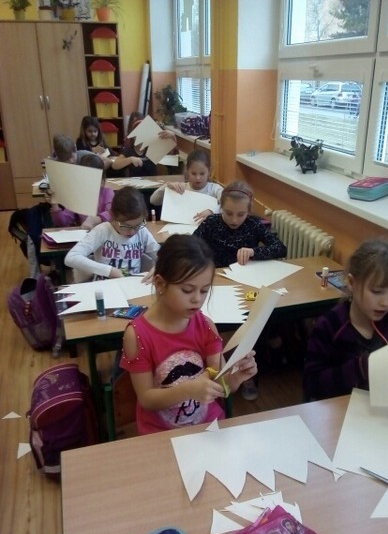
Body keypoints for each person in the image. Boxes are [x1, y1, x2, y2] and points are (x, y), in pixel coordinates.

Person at [119, 234, 258, 434]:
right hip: (161, 434)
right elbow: (147, 399)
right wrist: (188, 390)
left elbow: (219, 384)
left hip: (208, 426)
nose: (197, 300)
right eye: (187, 290)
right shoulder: (137, 335)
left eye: (204, 291)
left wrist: (235, 378)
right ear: (160, 284)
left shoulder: (206, 325)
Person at [193, 180, 287, 401]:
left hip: (246, 285)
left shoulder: (253, 224)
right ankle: (217, 369)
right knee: (216, 326)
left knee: (255, 321)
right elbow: (190, 246)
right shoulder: (212, 223)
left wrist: (254, 251)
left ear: (249, 210)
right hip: (216, 286)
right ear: (221, 207)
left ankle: (247, 372)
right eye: (228, 213)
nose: (234, 220)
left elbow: (280, 248)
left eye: (240, 214)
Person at [303, 238, 388, 401]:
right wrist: (361, 367)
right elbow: (312, 385)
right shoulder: (330, 325)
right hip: (342, 410)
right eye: (376, 291)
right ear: (352, 283)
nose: (386, 302)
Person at [64, 186, 159, 280]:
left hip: (130, 285)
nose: (132, 231)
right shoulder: (103, 231)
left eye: (137, 226)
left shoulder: (142, 232)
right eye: (126, 226)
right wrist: (108, 271)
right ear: (112, 216)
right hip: (104, 285)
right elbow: (71, 257)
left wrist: (158, 267)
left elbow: (161, 257)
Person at [150, 149, 223, 223]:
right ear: (187, 171)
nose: (198, 178)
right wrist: (167, 186)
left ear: (209, 172)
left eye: (202, 174)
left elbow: (226, 206)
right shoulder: (181, 188)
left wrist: (212, 211)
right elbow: (153, 200)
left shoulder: (215, 189)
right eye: (193, 173)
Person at [47, 152, 114, 231]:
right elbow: (63, 223)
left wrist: (96, 219)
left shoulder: (107, 193)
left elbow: (111, 214)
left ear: (102, 181)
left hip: (104, 234)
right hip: (86, 235)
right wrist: (55, 205)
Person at [111, 118, 177, 177]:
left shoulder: (153, 148)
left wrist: (173, 136)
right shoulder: (129, 150)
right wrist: (130, 159)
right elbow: (115, 165)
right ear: (133, 137)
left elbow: (172, 154)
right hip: (135, 183)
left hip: (153, 182)